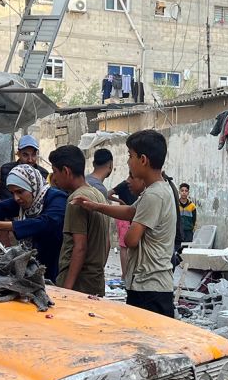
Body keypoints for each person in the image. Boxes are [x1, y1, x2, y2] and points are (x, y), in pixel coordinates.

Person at [75, 130, 177, 317]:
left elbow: (131, 240)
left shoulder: (154, 195)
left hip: (149, 286)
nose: (128, 162)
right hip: (150, 285)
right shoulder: (156, 190)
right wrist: (95, 206)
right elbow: (130, 211)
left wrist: (131, 228)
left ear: (143, 160)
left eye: (130, 156)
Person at [0, 163, 67, 281]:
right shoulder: (23, 202)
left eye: (20, 192)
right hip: (33, 268)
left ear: (32, 186)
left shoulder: (57, 198)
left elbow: (46, 223)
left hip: (55, 265)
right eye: (13, 193)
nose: (16, 198)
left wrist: (0, 225)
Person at [50, 144, 110, 296]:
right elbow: (107, 243)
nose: (54, 178)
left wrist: (67, 290)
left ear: (66, 171)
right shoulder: (98, 195)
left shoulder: (76, 200)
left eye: (55, 172)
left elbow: (80, 247)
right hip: (95, 281)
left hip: (79, 285)